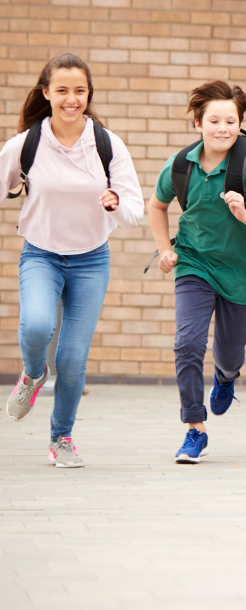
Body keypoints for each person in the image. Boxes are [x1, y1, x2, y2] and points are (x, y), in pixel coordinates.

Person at [2, 53, 144, 467]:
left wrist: (115, 201)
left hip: (90, 260)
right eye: (62, 90)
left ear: (88, 94)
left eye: (79, 91)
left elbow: (134, 208)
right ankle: (31, 375)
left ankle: (61, 438)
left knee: (71, 359)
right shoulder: (26, 143)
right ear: (46, 93)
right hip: (41, 254)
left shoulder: (105, 143)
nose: (71, 99)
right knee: (37, 327)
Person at [149, 81, 246, 464]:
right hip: (194, 264)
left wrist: (244, 214)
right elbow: (156, 206)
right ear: (198, 123)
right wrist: (166, 250)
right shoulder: (180, 165)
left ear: (240, 124)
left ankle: (226, 378)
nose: (222, 128)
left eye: (231, 120)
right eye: (214, 120)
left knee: (229, 354)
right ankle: (194, 428)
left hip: (241, 272)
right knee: (187, 343)